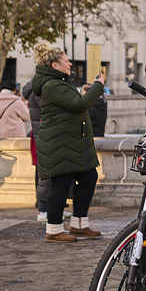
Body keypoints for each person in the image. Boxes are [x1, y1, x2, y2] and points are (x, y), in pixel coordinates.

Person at [32, 43, 105, 243]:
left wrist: (85, 91)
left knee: (89, 177)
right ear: (55, 65)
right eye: (66, 61)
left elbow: (73, 103)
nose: (70, 64)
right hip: (59, 144)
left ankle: (79, 224)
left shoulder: (57, 83)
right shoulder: (52, 85)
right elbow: (78, 104)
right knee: (60, 186)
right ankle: (54, 230)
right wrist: (98, 86)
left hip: (69, 144)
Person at [22, 80, 49, 221]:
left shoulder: (34, 91)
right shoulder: (39, 92)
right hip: (43, 136)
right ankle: (43, 208)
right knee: (43, 174)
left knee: (41, 171)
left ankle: (45, 207)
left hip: (37, 135)